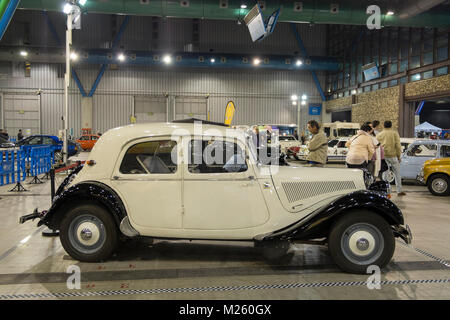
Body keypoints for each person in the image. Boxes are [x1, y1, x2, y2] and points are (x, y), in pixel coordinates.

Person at [376, 121, 406, 196]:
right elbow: (398, 145)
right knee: (397, 174)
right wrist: (399, 156)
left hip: (383, 156)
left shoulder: (379, 134)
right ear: (391, 125)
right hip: (393, 156)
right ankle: (399, 191)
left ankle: (385, 190)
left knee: (385, 173)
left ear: (383, 125)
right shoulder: (394, 133)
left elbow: (376, 146)